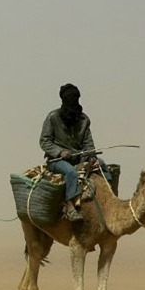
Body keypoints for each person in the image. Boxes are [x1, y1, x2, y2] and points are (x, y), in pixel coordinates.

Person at [39, 83, 100, 222]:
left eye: (76, 99)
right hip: (57, 161)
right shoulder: (52, 117)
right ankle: (69, 207)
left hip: (78, 157)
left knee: (102, 165)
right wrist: (60, 152)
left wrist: (92, 155)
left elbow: (88, 143)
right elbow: (44, 141)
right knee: (71, 173)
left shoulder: (83, 119)